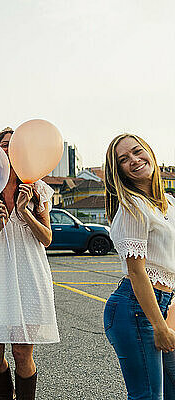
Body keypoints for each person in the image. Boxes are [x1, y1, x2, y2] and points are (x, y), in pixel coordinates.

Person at [0, 128, 59, 400]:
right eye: (3, 146)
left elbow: (46, 238)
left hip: (28, 274)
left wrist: (24, 212)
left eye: (12, 145)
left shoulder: (37, 187)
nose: (7, 150)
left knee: (22, 353)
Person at [103, 133, 175, 399]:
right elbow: (137, 272)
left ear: (150, 152)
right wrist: (159, 327)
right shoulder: (133, 207)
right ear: (119, 171)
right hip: (134, 310)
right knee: (147, 396)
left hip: (162, 305)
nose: (134, 160)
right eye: (124, 159)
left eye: (137, 152)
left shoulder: (169, 203)